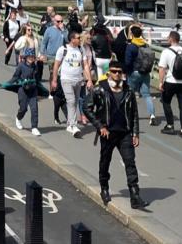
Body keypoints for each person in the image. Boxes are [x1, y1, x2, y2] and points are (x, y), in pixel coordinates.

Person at [86, 66, 150, 209]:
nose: (116, 74)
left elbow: (134, 113)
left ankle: (135, 195)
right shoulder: (100, 89)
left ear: (123, 74)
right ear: (109, 72)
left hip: (125, 133)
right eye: (114, 71)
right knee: (105, 161)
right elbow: (87, 107)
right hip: (108, 133)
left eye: (119, 72)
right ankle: (104, 187)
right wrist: (100, 126)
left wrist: (135, 133)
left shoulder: (128, 91)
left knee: (130, 162)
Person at [51, 30, 93, 136]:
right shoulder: (63, 49)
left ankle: (70, 123)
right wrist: (54, 80)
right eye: (78, 38)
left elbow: (85, 66)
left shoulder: (81, 49)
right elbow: (56, 65)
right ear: (72, 39)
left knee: (74, 102)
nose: (80, 40)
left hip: (78, 80)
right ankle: (73, 125)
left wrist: (89, 80)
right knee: (71, 100)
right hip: (66, 79)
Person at [157, 30, 182, 136]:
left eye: (168, 37)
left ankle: (170, 125)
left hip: (171, 81)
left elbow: (162, 68)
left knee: (166, 101)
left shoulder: (166, 51)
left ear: (171, 39)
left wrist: (160, 82)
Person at [10, 28, 43, 136]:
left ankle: (34, 127)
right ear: (25, 57)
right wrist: (10, 83)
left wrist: (40, 91)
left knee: (34, 109)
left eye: (33, 57)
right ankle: (18, 118)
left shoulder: (35, 67)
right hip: (23, 90)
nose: (31, 59)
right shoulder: (21, 66)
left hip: (33, 90)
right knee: (23, 108)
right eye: (29, 57)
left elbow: (37, 79)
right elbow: (15, 77)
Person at [123, 25, 158, 125]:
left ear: (132, 34)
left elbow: (128, 62)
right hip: (145, 72)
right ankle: (152, 115)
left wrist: (125, 72)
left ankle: (129, 115)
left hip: (134, 73)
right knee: (147, 95)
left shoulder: (131, 46)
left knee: (130, 94)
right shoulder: (145, 45)